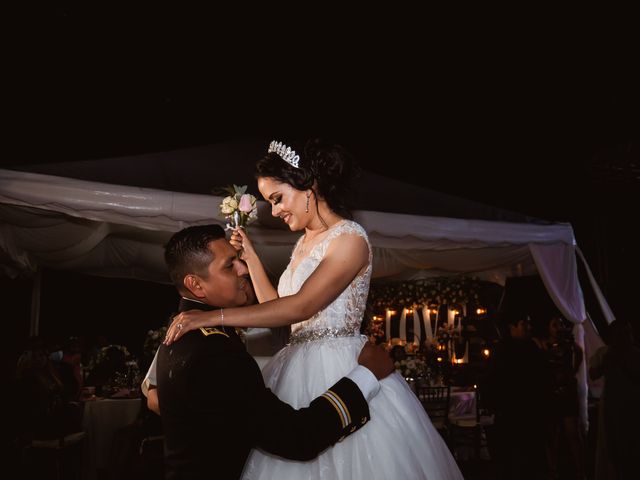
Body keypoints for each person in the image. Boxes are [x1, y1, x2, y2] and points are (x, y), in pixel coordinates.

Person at [164, 139, 464, 479]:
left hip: (339, 363)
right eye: (268, 202)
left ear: (308, 185)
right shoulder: (304, 241)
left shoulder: (350, 238)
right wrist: (251, 257)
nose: (274, 211)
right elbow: (280, 307)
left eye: (277, 199)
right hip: (297, 361)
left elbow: (302, 305)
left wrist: (213, 315)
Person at [157, 223, 395, 480]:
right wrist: (365, 376)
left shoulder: (186, 335)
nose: (242, 269)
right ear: (196, 285)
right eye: (229, 265)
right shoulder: (215, 353)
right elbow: (297, 438)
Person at [482, 313, 553, 480]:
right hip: (510, 413)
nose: (528, 328)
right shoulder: (502, 350)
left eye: (529, 324)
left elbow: (543, 378)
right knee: (511, 459)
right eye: (523, 324)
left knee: (530, 459)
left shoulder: (533, 348)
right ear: (512, 327)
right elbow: (493, 380)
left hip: (531, 413)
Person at [532, 314, 585, 479]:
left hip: (567, 393)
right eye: (554, 324)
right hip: (551, 392)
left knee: (572, 433)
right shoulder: (543, 344)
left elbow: (579, 354)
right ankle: (552, 470)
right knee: (552, 434)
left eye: (560, 324)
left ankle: (580, 469)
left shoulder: (569, 345)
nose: (558, 327)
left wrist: (572, 372)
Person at [593, 319, 640, 479]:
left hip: (623, 408)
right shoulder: (608, 354)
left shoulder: (613, 355)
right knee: (621, 449)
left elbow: (594, 373)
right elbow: (594, 373)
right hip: (620, 408)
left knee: (622, 450)